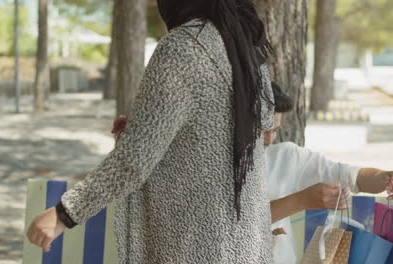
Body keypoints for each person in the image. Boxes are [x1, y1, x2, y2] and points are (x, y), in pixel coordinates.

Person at [27, 0, 277, 263]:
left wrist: (64, 214)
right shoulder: (242, 44)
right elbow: (264, 128)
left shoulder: (185, 46)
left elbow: (134, 161)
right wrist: (152, 125)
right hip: (247, 247)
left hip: (196, 248)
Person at [265, 83, 393, 264]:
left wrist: (384, 178)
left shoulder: (286, 157)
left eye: (275, 130)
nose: (268, 139)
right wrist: (302, 200)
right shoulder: (216, 170)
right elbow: (236, 221)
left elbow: (354, 177)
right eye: (262, 130)